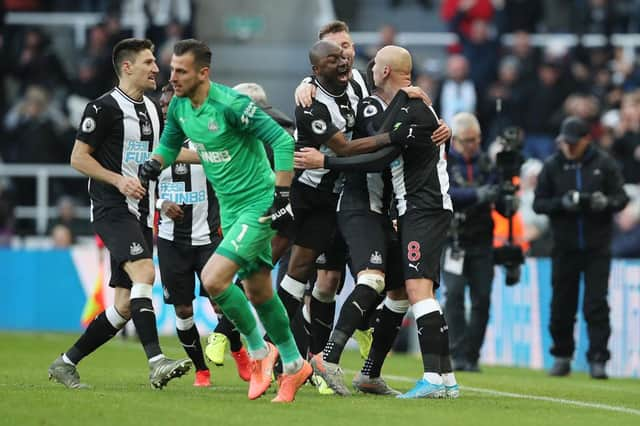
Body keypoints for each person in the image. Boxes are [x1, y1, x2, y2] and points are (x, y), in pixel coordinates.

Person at [139, 39, 311, 403]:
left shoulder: (233, 105)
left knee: (214, 278)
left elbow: (281, 141)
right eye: (172, 70)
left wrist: (282, 194)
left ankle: (258, 353)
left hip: (259, 202)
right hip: (230, 210)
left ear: (204, 72)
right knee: (259, 291)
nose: (173, 77)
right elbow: (170, 145)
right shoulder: (181, 108)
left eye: (181, 71)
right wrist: (156, 162)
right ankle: (295, 365)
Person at [295, 46, 459, 399]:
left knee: (402, 292)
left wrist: (420, 117)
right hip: (361, 205)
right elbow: (374, 151)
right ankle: (326, 358)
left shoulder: (407, 104)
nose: (352, 66)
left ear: (383, 71)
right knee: (364, 280)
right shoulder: (374, 103)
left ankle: (372, 373)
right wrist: (305, 86)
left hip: (400, 210)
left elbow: (388, 151)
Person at [48, 38, 192, 390]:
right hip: (113, 210)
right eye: (149, 63)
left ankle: (65, 363)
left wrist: (220, 154)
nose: (156, 69)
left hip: (142, 214)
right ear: (127, 67)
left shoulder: (154, 111)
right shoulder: (103, 108)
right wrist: (119, 181)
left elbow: (165, 153)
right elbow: (78, 158)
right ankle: (157, 361)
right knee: (145, 271)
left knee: (125, 305)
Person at [155, 83, 250, 387]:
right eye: (161, 105)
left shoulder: (205, 135)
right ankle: (201, 370)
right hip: (172, 240)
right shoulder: (153, 143)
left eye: (169, 104)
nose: (164, 109)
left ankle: (238, 351)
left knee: (222, 303)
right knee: (183, 309)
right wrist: (160, 203)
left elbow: (225, 160)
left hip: (209, 235)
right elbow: (141, 185)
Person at [533, 116, 629, 379]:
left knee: (596, 304)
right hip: (564, 246)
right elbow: (539, 204)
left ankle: (598, 358)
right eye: (566, 143)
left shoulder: (604, 163)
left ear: (587, 140)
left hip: (597, 246)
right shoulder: (552, 166)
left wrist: (604, 202)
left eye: (573, 143)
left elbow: (621, 198)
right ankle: (562, 355)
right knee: (562, 304)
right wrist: (562, 204)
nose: (568, 148)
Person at [442, 112, 498, 372]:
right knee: (453, 295)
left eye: (476, 139)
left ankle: (472, 354)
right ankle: (457, 352)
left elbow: (498, 191)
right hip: (454, 240)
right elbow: (446, 193)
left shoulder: (488, 163)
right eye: (467, 140)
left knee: (482, 298)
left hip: (482, 240)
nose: (473, 145)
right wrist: (478, 194)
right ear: (456, 140)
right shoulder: (444, 161)